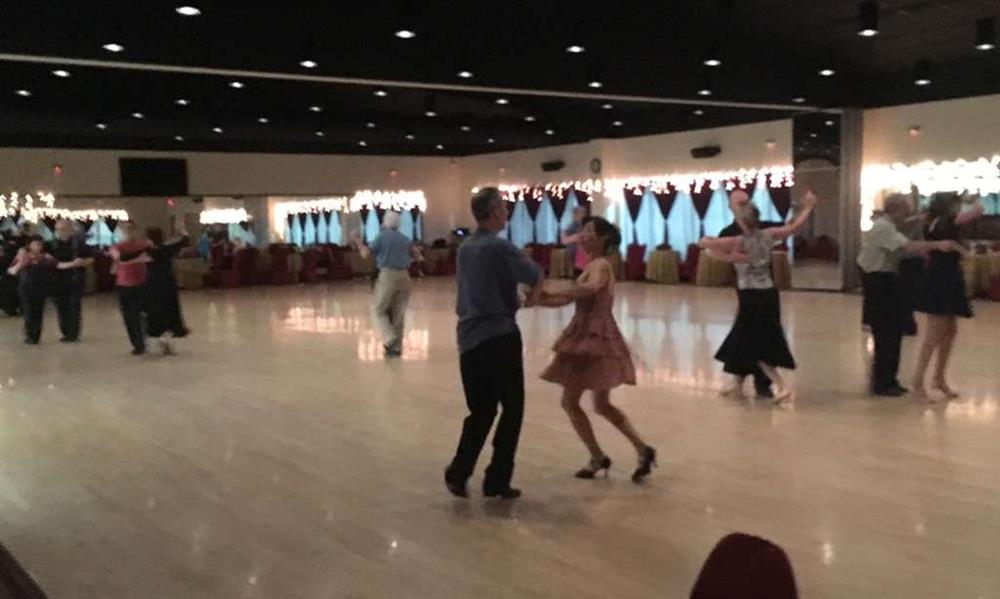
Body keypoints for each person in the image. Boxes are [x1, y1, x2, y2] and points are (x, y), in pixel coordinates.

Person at [533, 216, 657, 483]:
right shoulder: (593, 264)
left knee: (571, 402)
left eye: (588, 231)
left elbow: (589, 289)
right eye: (582, 231)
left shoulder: (600, 265)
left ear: (603, 239)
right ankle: (641, 449)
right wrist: (542, 300)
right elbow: (574, 296)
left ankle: (598, 456)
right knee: (601, 404)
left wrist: (554, 293)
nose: (582, 235)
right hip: (593, 336)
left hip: (592, 339)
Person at [445, 187, 544, 500]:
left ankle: (458, 473)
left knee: (481, 410)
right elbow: (534, 273)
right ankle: (497, 479)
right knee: (512, 409)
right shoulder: (498, 247)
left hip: (468, 339)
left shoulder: (465, 248)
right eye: (503, 207)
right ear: (494, 212)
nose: (506, 212)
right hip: (499, 335)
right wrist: (533, 298)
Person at [698, 191, 819, 402]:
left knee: (754, 342)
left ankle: (778, 384)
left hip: (751, 297)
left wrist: (729, 255)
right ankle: (737, 380)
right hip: (767, 294)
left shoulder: (737, 239)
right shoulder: (769, 234)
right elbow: (794, 227)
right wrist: (808, 207)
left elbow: (704, 244)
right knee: (746, 338)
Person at [857, 194, 963, 397]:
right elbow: (907, 246)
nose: (910, 214)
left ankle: (888, 379)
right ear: (896, 209)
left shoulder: (888, 224)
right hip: (879, 281)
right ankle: (882, 382)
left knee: (893, 330)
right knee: (886, 332)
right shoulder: (884, 227)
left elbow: (907, 227)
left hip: (885, 279)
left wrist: (919, 221)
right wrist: (936, 245)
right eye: (907, 210)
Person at [911, 193, 982, 399]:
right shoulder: (949, 220)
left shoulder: (929, 221)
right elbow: (978, 211)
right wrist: (972, 200)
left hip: (941, 275)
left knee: (950, 330)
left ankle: (939, 378)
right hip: (944, 278)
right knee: (935, 333)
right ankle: (918, 382)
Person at [717, 190, 785, 399]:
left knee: (763, 333)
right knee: (745, 333)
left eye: (745, 202)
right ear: (730, 207)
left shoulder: (764, 229)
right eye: (738, 203)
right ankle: (739, 377)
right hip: (746, 293)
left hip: (766, 291)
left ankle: (762, 381)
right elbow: (721, 255)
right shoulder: (728, 232)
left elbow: (787, 230)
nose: (742, 206)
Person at [351, 212, 417, 358]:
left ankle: (389, 338)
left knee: (379, 309)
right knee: (398, 312)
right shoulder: (405, 238)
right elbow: (416, 255)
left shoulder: (382, 237)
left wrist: (358, 241)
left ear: (385, 223)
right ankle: (396, 348)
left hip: (388, 275)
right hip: (405, 276)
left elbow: (366, 254)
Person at [144, 226, 191, 355]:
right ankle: (166, 336)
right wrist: (183, 232)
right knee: (170, 310)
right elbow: (185, 241)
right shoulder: (166, 250)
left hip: (153, 284)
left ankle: (161, 336)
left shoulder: (148, 251)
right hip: (167, 283)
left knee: (156, 311)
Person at [49, 219, 95, 343]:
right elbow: (51, 262)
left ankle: (73, 333)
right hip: (57, 281)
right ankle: (65, 332)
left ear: (70, 229)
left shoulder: (79, 244)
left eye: (64, 229)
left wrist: (82, 263)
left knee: (74, 307)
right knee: (61, 307)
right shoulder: (52, 244)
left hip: (75, 280)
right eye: (59, 229)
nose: (61, 232)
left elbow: (91, 258)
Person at [109, 222, 152, 355]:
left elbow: (151, 258)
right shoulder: (117, 246)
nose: (128, 231)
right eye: (125, 229)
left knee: (140, 315)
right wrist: (139, 258)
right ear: (121, 231)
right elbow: (119, 259)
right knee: (128, 316)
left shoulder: (144, 244)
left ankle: (141, 341)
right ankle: (137, 343)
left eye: (130, 228)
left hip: (141, 283)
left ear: (135, 230)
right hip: (123, 285)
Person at [6, 235, 57, 344]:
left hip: (40, 288)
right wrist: (21, 262)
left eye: (39, 244)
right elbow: (11, 271)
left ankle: (36, 335)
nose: (38, 246)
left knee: (38, 312)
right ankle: (30, 334)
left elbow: (56, 265)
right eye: (35, 244)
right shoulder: (22, 256)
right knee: (28, 312)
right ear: (29, 245)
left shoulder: (45, 257)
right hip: (26, 288)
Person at [560, 205, 591, 277]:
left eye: (584, 212)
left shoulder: (587, 226)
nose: (583, 214)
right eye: (581, 212)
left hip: (584, 254)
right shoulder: (571, 227)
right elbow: (564, 240)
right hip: (574, 252)